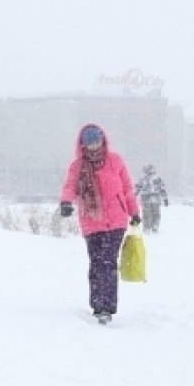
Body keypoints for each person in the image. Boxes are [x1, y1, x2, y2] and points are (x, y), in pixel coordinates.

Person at [59, 124, 141, 324]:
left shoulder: (115, 161)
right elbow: (70, 185)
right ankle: (97, 305)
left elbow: (127, 188)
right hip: (91, 221)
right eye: (89, 143)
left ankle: (108, 307)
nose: (94, 146)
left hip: (116, 221)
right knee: (96, 264)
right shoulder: (78, 166)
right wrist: (65, 202)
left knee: (108, 262)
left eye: (97, 141)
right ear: (83, 145)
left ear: (103, 140)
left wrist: (134, 211)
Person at [135, 165, 169, 234]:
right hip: (155, 199)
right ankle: (155, 226)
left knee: (146, 215)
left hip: (146, 200)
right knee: (156, 214)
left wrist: (134, 196)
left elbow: (137, 189)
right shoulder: (158, 179)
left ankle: (147, 228)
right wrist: (165, 199)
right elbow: (162, 189)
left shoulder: (142, 179)